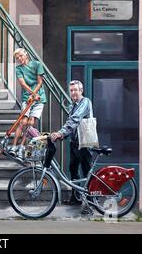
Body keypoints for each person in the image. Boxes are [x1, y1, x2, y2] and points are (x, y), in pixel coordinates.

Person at [49, 80, 93, 208]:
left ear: (81, 91)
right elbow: (71, 124)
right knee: (73, 170)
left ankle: (91, 202)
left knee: (87, 172)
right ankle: (76, 197)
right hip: (74, 142)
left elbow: (74, 120)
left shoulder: (85, 102)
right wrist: (61, 135)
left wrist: (61, 133)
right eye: (71, 90)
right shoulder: (74, 105)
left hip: (84, 142)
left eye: (75, 90)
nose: (73, 92)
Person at [8, 48, 46, 159]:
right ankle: (14, 147)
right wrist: (32, 94)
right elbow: (23, 84)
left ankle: (21, 147)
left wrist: (34, 95)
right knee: (22, 122)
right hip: (27, 98)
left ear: (26, 54)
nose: (19, 59)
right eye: (17, 58)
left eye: (20, 56)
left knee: (30, 124)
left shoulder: (37, 64)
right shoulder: (18, 69)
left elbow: (40, 82)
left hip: (39, 99)